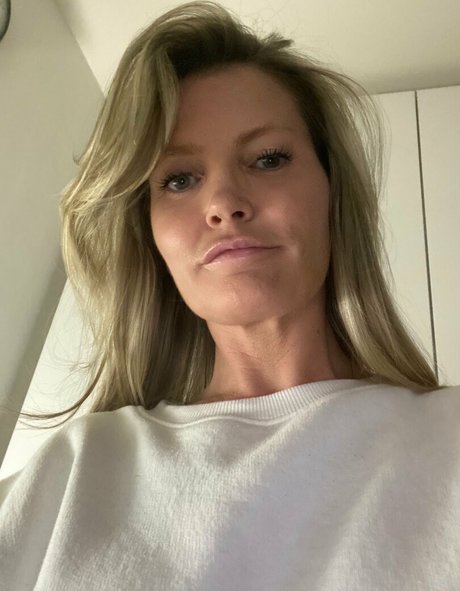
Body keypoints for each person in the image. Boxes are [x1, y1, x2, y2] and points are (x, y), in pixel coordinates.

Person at [1, 1, 459, 589]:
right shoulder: (74, 471)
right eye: (179, 179)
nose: (223, 203)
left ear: (331, 192)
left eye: (268, 159)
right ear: (151, 235)